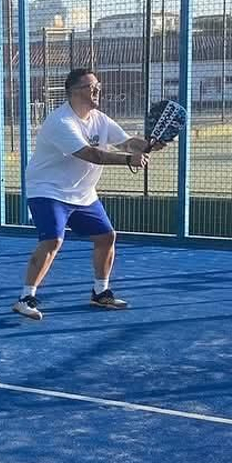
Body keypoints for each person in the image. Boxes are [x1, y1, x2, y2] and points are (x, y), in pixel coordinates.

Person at [13, 68, 162, 321]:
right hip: (48, 189)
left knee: (106, 237)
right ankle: (25, 298)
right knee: (53, 241)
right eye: (90, 87)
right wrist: (129, 160)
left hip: (82, 193)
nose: (97, 91)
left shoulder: (100, 119)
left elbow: (126, 142)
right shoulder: (61, 122)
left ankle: (100, 293)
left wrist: (149, 144)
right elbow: (91, 154)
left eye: (98, 86)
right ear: (73, 92)